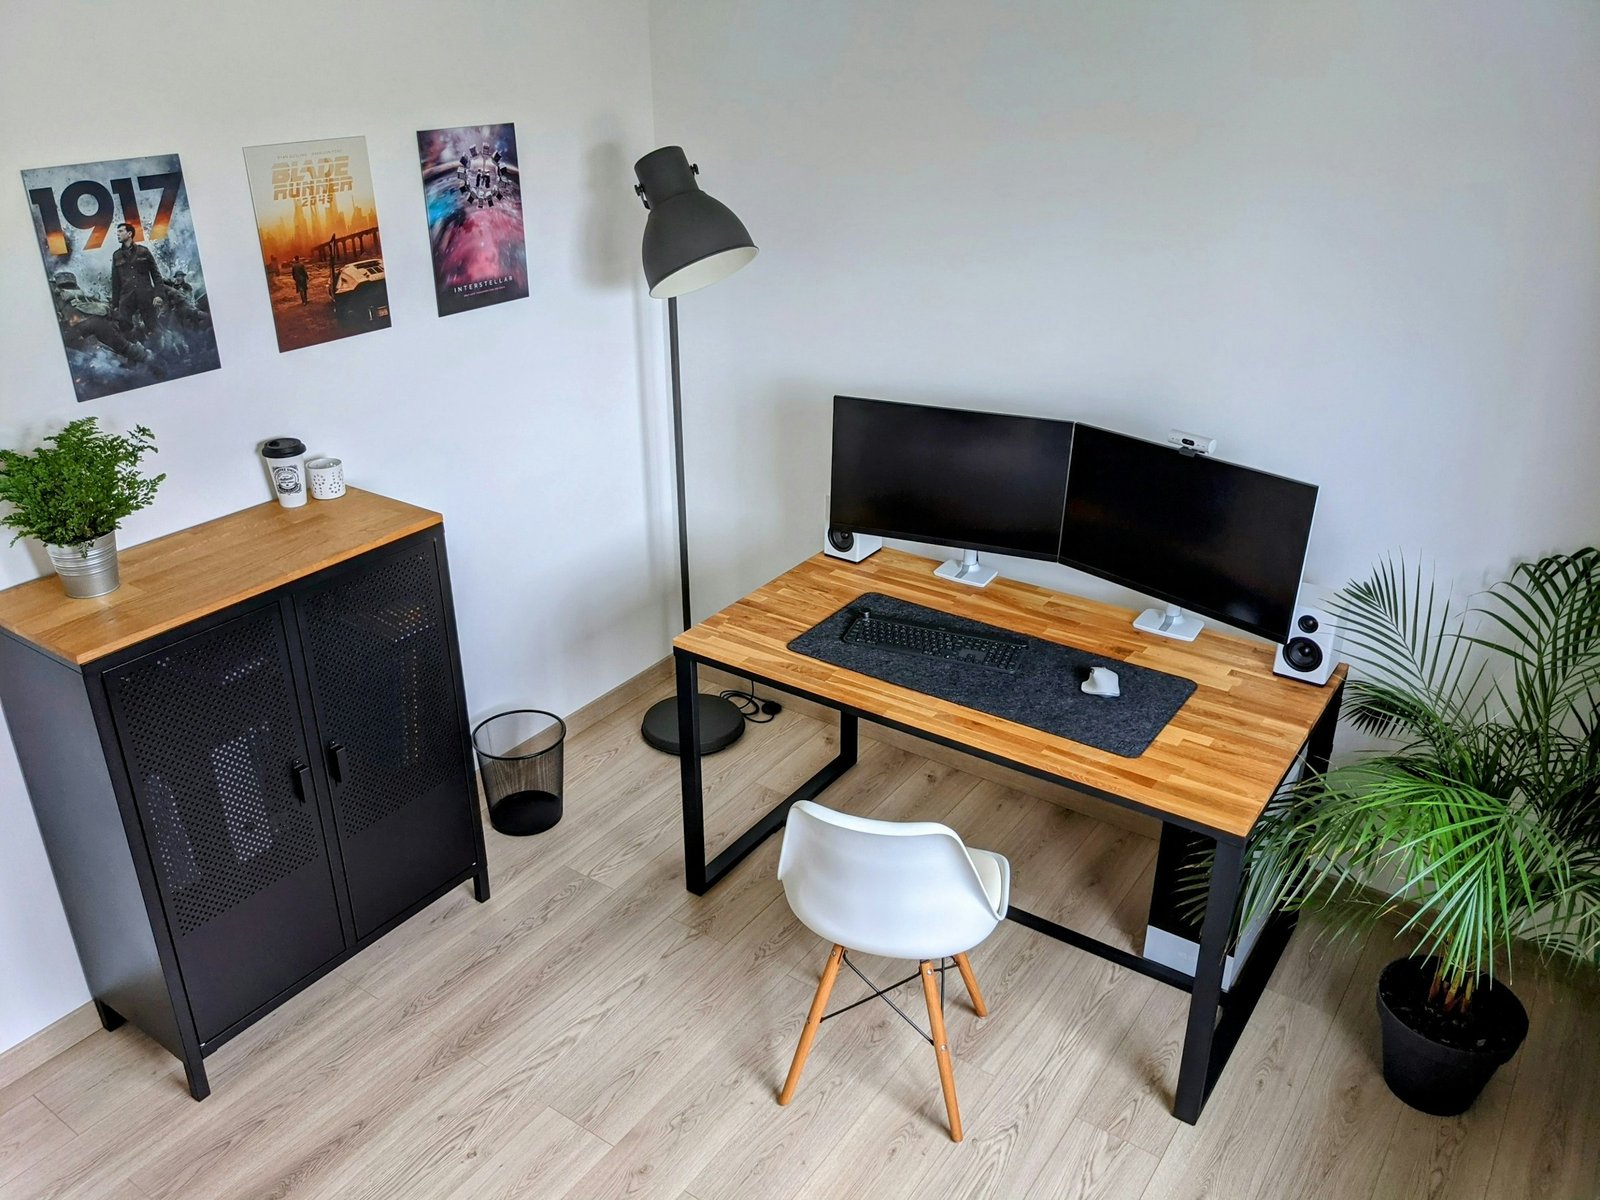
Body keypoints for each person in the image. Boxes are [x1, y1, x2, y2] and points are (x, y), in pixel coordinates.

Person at [51, 272, 162, 375]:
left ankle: (136, 354)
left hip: (84, 324)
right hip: (70, 331)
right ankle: (143, 357)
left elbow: (96, 306)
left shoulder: (79, 295)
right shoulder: (53, 295)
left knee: (120, 321)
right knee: (99, 325)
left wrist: (112, 314)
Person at [109, 222, 164, 337]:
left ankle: (159, 352)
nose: (117, 234)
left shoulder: (143, 251)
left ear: (129, 233)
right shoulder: (116, 255)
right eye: (117, 232)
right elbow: (115, 282)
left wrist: (158, 295)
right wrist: (115, 304)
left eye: (120, 231)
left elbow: (156, 275)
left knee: (153, 329)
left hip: (145, 296)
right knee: (125, 330)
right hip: (126, 299)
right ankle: (138, 351)